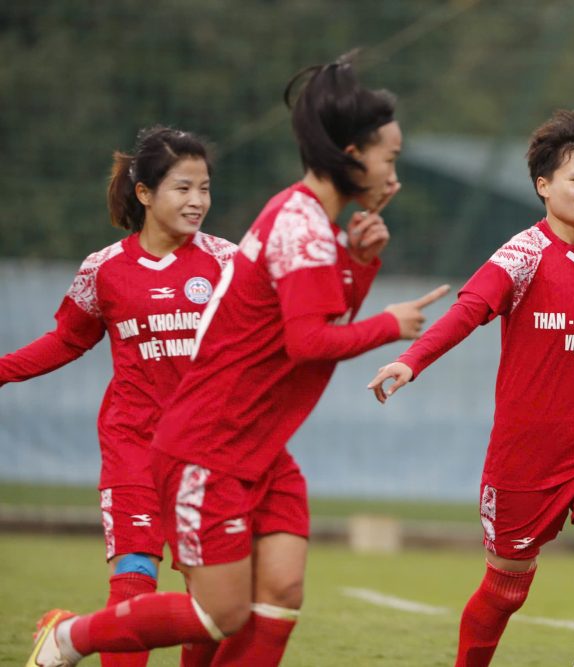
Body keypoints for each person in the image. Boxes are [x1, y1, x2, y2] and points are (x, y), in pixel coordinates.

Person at [27, 51, 448, 667]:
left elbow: (310, 330)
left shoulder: (314, 225)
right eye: (391, 156)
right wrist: (392, 325)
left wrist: (358, 262)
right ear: (353, 154)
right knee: (218, 614)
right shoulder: (298, 225)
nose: (396, 171)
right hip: (211, 445)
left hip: (259, 446)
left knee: (279, 596)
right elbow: (309, 344)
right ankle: (68, 639)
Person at [368, 109, 574, 667]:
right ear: (543, 187)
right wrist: (411, 361)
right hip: (525, 459)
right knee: (507, 591)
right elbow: (469, 310)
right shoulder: (522, 255)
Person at [3, 126, 235, 667]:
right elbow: (66, 339)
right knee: (134, 581)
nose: (198, 201)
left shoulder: (228, 261)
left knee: (212, 607)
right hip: (133, 444)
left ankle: (68, 631)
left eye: (204, 188)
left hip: (208, 452)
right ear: (145, 193)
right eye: (183, 188)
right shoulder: (103, 269)